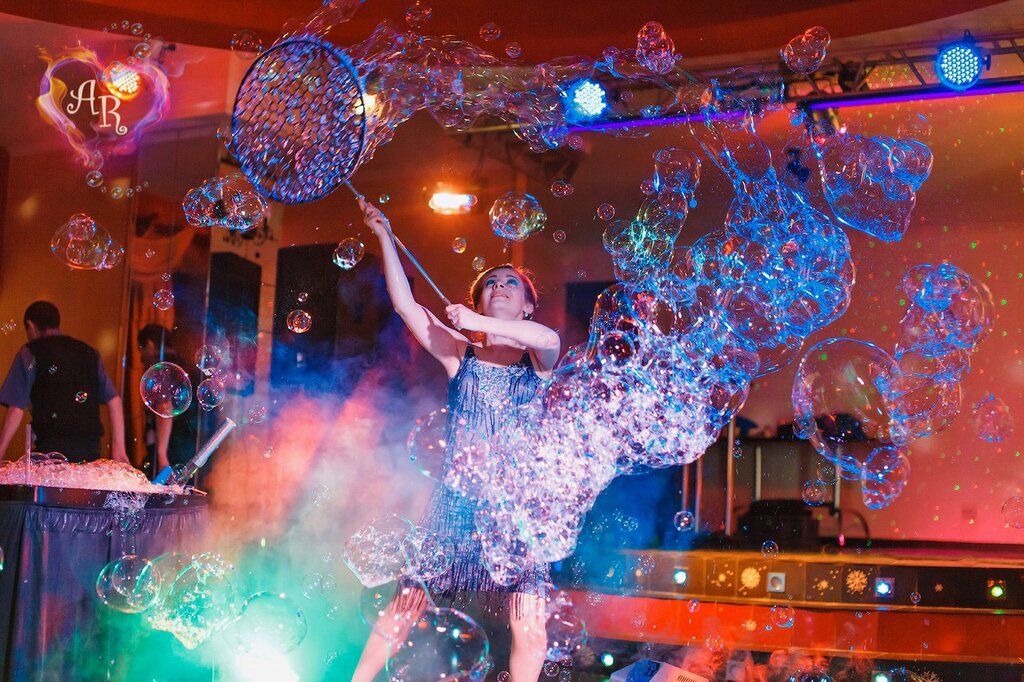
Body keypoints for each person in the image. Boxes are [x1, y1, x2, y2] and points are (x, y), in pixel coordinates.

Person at [352, 199, 560, 682]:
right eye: (491, 283)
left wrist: (475, 323)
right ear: (479, 299)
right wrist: (384, 234)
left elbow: (548, 339)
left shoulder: (538, 363)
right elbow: (407, 307)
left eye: (511, 282)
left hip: (516, 507)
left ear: (527, 306)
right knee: (404, 606)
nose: (499, 286)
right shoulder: (459, 355)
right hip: (455, 503)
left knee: (529, 623)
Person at [0, 301, 128, 463]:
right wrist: (119, 448)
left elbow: (16, 409)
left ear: (30, 326)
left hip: (50, 449)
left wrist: (1, 451)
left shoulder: (29, 352)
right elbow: (114, 400)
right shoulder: (88, 352)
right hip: (89, 450)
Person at [137, 324, 201, 476]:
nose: (140, 357)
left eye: (141, 349)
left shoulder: (161, 368)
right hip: (190, 447)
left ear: (150, 345)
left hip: (171, 449)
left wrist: (161, 454)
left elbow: (164, 406)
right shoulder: (186, 366)